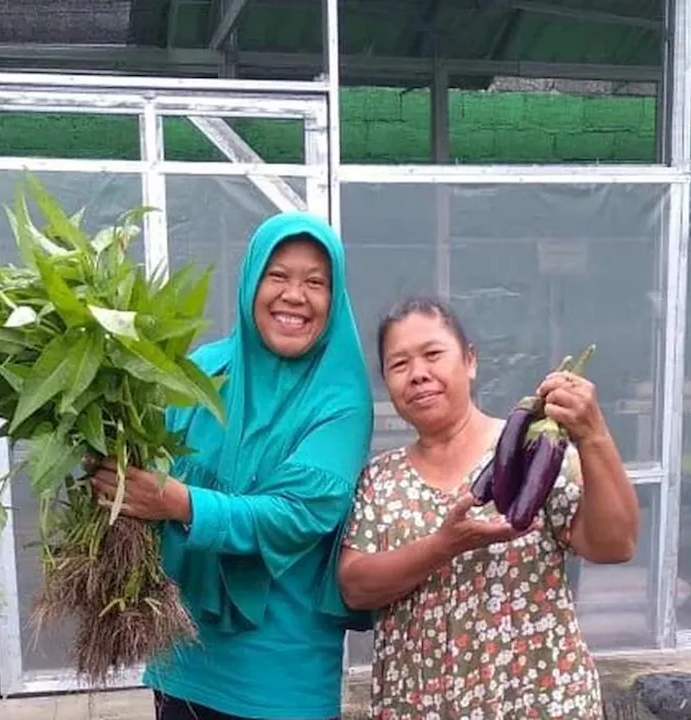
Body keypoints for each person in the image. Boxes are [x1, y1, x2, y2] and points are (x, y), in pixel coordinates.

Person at [87, 211, 375, 720]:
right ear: (251, 281)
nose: (294, 295)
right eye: (277, 275)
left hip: (281, 676)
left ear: (335, 299)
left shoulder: (341, 400)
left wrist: (179, 502)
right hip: (182, 654)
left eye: (315, 282)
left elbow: (297, 513)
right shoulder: (201, 371)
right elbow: (150, 462)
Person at [338, 296, 640, 719]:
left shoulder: (533, 452)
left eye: (432, 354)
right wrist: (444, 546)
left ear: (470, 361)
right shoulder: (379, 479)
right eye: (399, 364)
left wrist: (593, 436)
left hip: (540, 703)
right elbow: (355, 586)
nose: (419, 374)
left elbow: (615, 544)